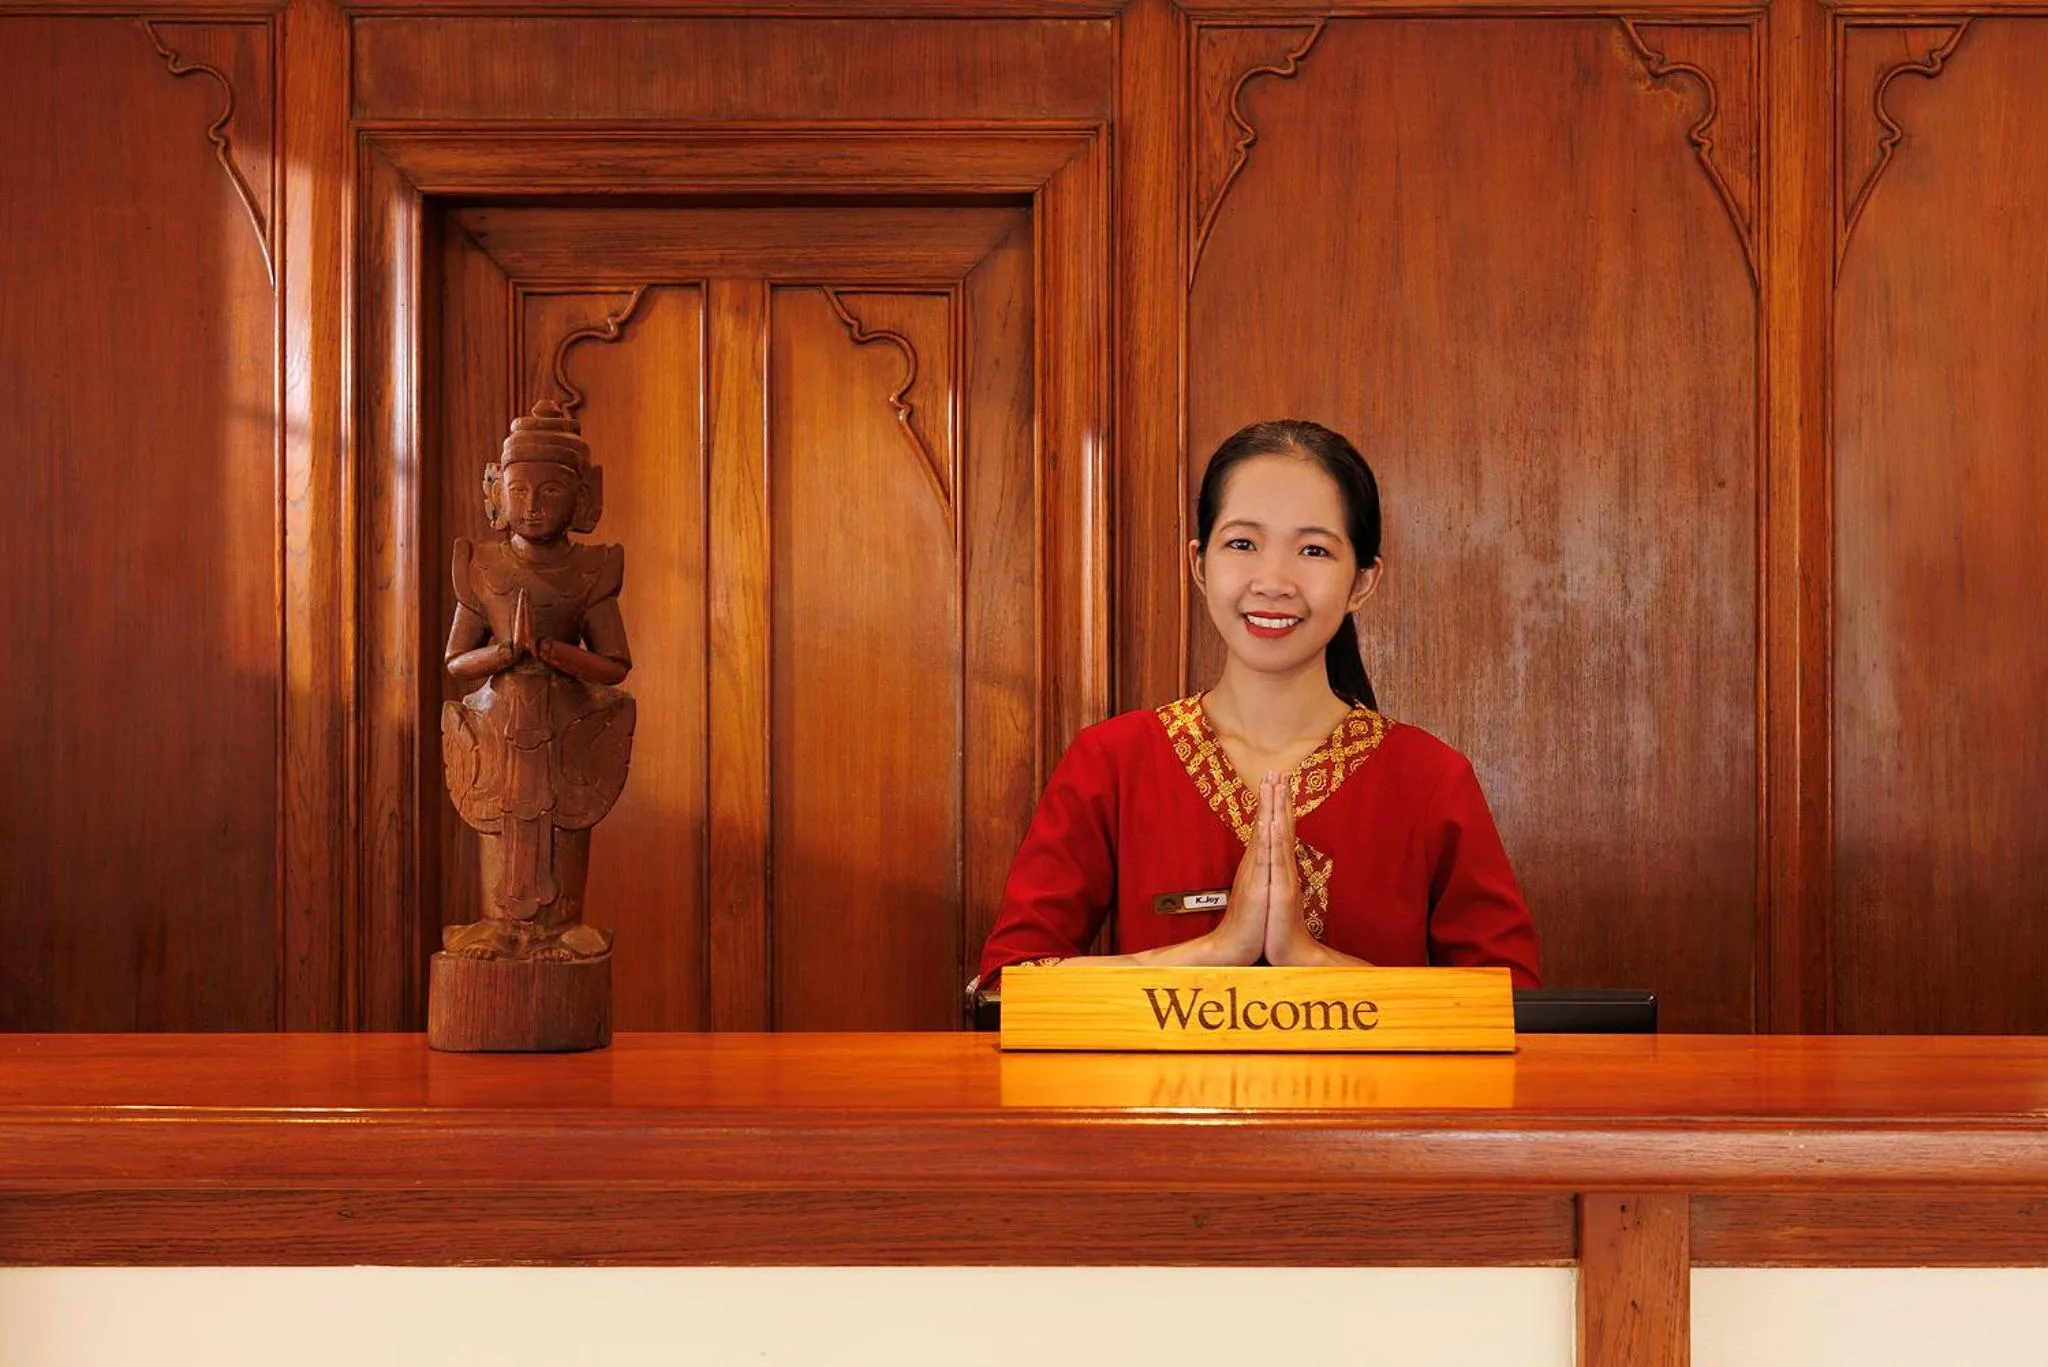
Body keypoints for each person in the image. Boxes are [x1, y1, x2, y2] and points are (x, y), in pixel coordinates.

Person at [978, 419, 1540, 986]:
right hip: (1156, 1082)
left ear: (1362, 583)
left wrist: (1312, 958)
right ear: (1200, 564)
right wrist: (1215, 951)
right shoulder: (1114, 762)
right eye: (1243, 544)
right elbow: (1006, 987)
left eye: (1314, 550)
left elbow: (1512, 1007)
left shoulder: (1430, 779)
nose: (1273, 581)